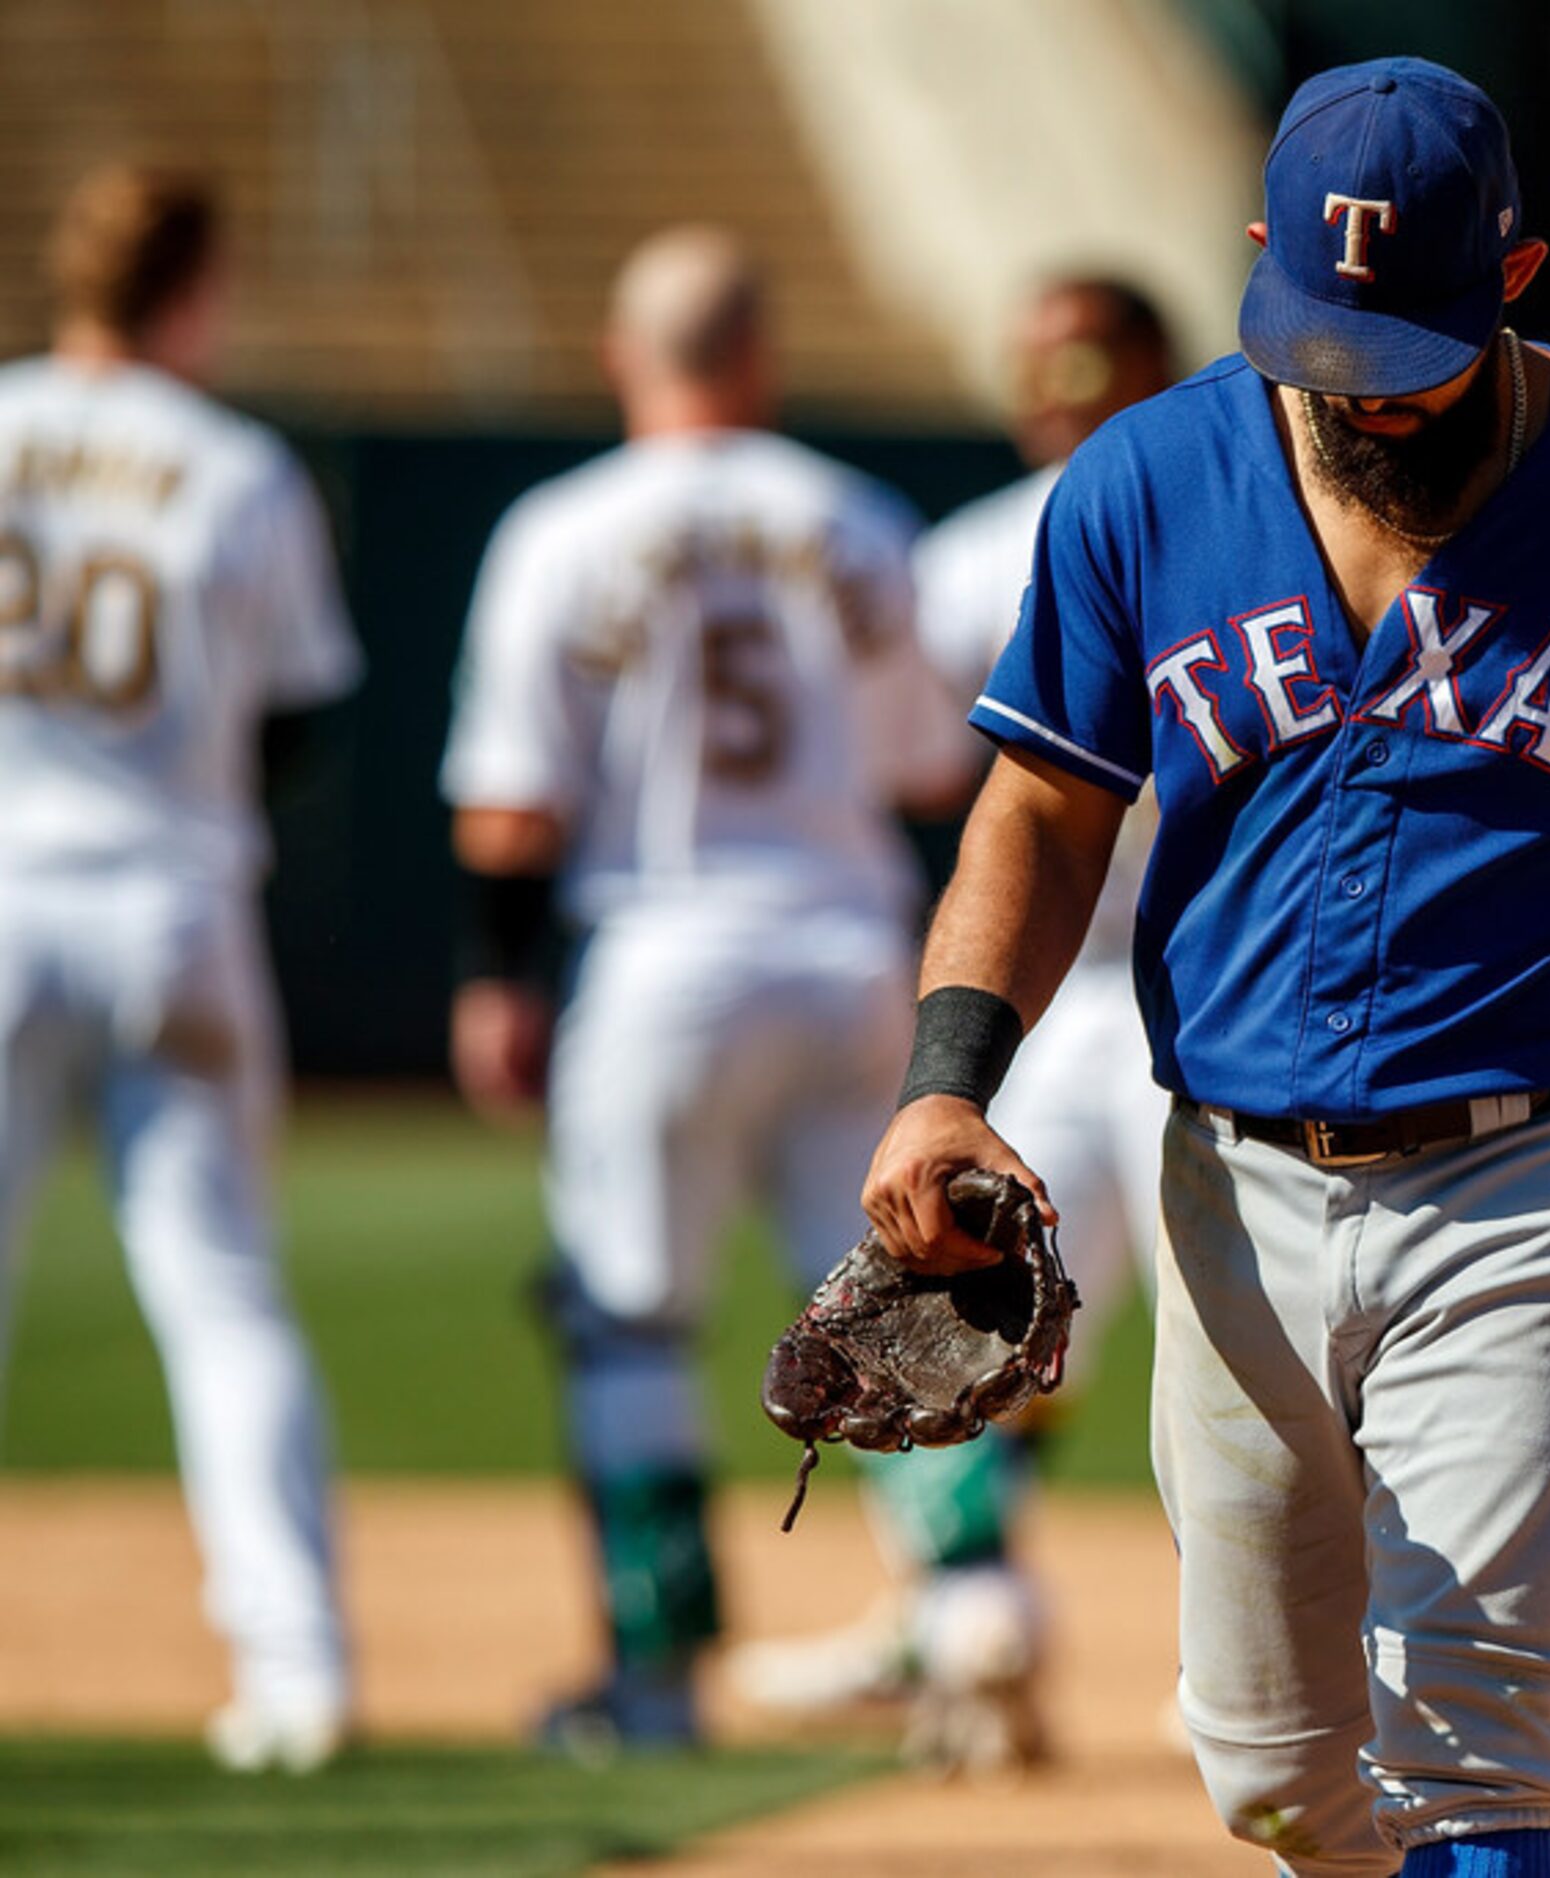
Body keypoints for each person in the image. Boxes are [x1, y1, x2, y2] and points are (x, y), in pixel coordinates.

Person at [857, 57, 1550, 1877]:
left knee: (1476, 1744)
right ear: (1263, 257)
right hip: (1235, 1184)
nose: (1357, 392)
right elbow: (1037, 816)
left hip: (1538, 1183)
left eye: (1404, 348)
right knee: (1272, 1767)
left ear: (1512, 281)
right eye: (1321, 336)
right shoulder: (1145, 480)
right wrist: (948, 1076)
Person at [441, 225, 955, 1753]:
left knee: (633, 1326)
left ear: (623, 356)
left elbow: (510, 806)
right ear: (763, 361)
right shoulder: (856, 518)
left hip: (661, 959)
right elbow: (930, 760)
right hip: (849, 943)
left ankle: (658, 1683)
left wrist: (499, 979)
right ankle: (976, 1607)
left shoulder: (563, 526)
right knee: (900, 1306)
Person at [729, 276, 1178, 1771]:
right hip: (1208, 999)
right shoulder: (1251, 520)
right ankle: (1272, 1654)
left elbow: (926, 775)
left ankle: (967, 1604)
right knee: (1255, 1348)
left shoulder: (981, 547)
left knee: (971, 1327)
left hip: (1043, 1004)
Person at [0, 163, 363, 1773]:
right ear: (194, 286)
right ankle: (294, 1674)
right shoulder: (238, 463)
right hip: (171, 901)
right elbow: (294, 715)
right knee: (222, 1300)